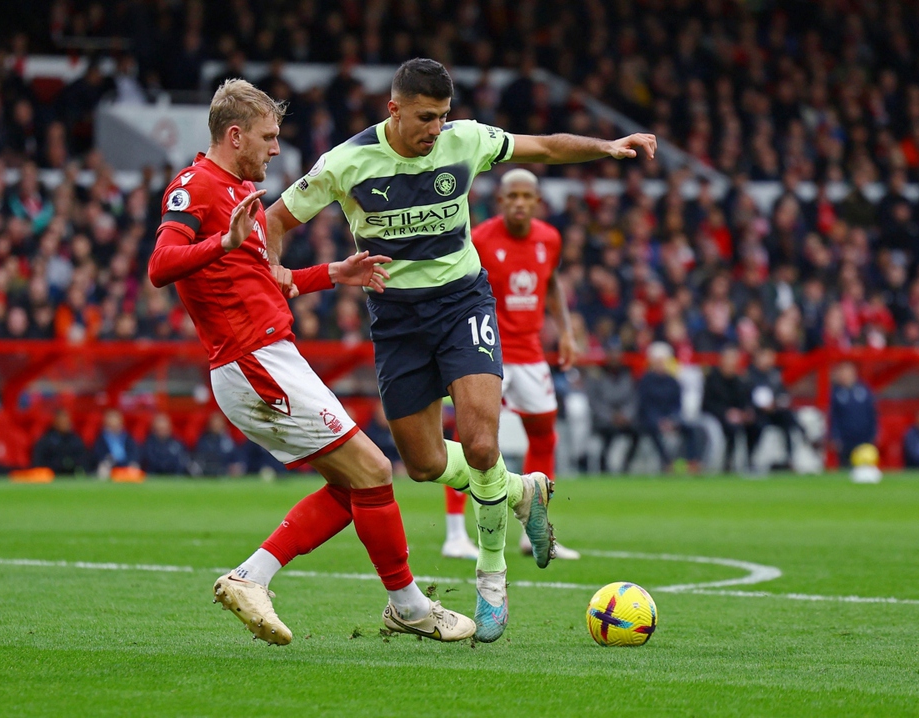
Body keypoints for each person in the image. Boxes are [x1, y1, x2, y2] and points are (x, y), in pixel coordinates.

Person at [265, 58, 655, 642]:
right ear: (393, 109)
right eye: (425, 118)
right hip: (397, 321)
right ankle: (522, 490)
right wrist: (284, 277)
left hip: (462, 306)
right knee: (421, 464)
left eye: (443, 117)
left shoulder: (464, 140)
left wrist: (608, 145)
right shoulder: (345, 163)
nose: (435, 129)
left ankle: (492, 578)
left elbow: (542, 148)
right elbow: (275, 221)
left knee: (479, 444)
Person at [147, 79, 474, 645]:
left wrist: (332, 274)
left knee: (353, 490)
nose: (276, 148)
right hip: (254, 361)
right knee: (374, 471)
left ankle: (252, 577)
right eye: (268, 137)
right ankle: (409, 606)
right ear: (234, 135)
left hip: (269, 355)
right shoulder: (196, 186)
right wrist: (221, 244)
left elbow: (265, 280)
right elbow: (161, 263)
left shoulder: (233, 191)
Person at [441, 168, 580, 561]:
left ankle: (532, 531)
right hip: (487, 353)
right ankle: (454, 535)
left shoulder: (550, 239)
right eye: (512, 196)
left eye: (526, 196)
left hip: (532, 354)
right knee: (470, 440)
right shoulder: (482, 238)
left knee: (545, 435)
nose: (519, 203)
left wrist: (566, 331)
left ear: (538, 202)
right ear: (500, 201)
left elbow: (551, 283)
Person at [636, 342, 702, 472]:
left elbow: (677, 405)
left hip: (670, 418)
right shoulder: (645, 381)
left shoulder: (673, 381)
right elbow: (645, 406)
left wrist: (672, 420)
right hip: (652, 419)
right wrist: (658, 421)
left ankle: (693, 461)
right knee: (653, 430)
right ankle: (667, 462)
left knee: (689, 429)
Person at [747, 346, 808, 470]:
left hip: (774, 412)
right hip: (756, 414)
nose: (769, 360)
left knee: (788, 418)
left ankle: (789, 458)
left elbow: (783, 395)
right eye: (766, 356)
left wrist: (777, 403)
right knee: (755, 425)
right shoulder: (749, 376)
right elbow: (749, 398)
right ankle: (752, 460)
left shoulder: (774, 375)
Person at [702, 345, 761, 473]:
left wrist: (746, 412)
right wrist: (726, 413)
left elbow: (745, 400)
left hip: (736, 415)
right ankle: (728, 463)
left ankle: (750, 460)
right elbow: (707, 404)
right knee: (732, 428)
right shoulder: (712, 379)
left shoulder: (739, 380)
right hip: (717, 416)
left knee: (756, 426)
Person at [588, 342, 639, 474]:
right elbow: (595, 403)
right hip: (605, 419)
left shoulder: (627, 374)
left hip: (624, 417)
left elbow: (633, 399)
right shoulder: (597, 375)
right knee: (608, 433)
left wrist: (625, 415)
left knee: (637, 431)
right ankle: (604, 466)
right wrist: (612, 416)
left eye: (617, 354)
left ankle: (626, 465)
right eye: (612, 354)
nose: (615, 357)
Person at [829, 361, 877, 467]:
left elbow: (872, 413)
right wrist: (835, 436)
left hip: (864, 436)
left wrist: (874, 432)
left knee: (865, 465)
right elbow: (834, 416)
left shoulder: (864, 390)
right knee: (845, 466)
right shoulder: (836, 393)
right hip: (845, 438)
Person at [31, 409, 87, 475]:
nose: (65, 423)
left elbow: (83, 461)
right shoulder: (46, 441)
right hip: (51, 476)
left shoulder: (76, 440)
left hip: (72, 476)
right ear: (55, 422)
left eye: (67, 420)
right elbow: (39, 462)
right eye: (62, 420)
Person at [91, 408, 140, 477]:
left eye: (115, 419)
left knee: (134, 467)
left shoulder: (127, 437)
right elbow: (98, 454)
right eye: (111, 419)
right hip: (109, 464)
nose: (113, 422)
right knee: (103, 469)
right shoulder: (101, 438)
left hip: (126, 464)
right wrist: (108, 459)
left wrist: (129, 461)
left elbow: (133, 452)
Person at [194, 411, 246, 476]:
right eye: (214, 423)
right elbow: (201, 458)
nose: (217, 425)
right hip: (209, 472)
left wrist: (236, 465)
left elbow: (236, 456)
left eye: (219, 422)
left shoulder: (228, 440)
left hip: (227, 473)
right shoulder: (205, 440)